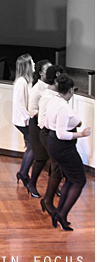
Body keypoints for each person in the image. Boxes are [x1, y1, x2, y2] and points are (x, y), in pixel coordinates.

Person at [46, 74, 91, 231]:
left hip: (55, 144)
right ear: (71, 90)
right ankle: (62, 214)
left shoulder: (54, 100)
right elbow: (62, 134)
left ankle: (60, 213)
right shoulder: (63, 107)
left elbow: (47, 123)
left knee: (71, 180)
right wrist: (82, 134)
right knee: (79, 181)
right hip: (62, 147)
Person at [38, 65, 65, 216]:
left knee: (57, 167)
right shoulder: (47, 97)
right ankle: (47, 200)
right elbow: (42, 120)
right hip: (48, 134)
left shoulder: (56, 96)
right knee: (57, 167)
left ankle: (49, 197)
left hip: (54, 134)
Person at [26, 59, 52, 197]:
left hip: (48, 125)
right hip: (37, 126)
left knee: (53, 157)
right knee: (41, 157)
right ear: (41, 73)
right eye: (48, 70)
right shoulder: (37, 89)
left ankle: (53, 187)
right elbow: (31, 111)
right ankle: (32, 183)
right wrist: (44, 112)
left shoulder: (52, 87)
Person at [12, 54, 34, 189]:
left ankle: (23, 173)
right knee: (32, 147)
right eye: (32, 62)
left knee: (31, 147)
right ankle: (23, 173)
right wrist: (29, 117)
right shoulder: (21, 82)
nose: (34, 64)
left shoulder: (27, 82)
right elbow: (20, 104)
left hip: (25, 119)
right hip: (23, 120)